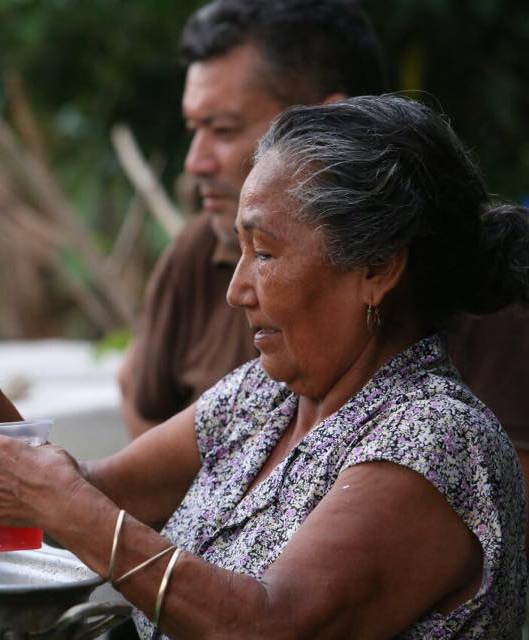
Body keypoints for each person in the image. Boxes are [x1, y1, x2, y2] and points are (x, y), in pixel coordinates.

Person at [0, 95, 528, 638]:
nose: (237, 290)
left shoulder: (437, 441)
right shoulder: (265, 397)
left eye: (266, 254)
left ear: (378, 268)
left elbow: (268, 625)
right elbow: (83, 500)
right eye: (239, 252)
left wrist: (65, 504)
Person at [119, 0, 388, 439]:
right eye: (194, 129)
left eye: (223, 130)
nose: (195, 163)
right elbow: (136, 393)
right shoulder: (198, 249)